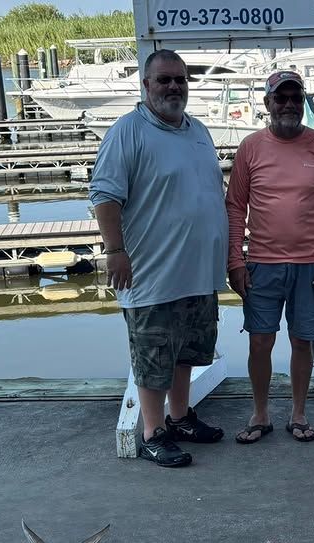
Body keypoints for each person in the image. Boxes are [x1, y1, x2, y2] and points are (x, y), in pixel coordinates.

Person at [90, 49, 227, 468]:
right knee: (153, 359)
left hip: (198, 272)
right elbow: (105, 196)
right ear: (146, 85)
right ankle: (153, 432)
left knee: (188, 351)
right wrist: (115, 250)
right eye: (164, 80)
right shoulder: (127, 132)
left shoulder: (198, 129)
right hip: (152, 274)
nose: (173, 87)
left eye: (180, 80)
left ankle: (181, 417)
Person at [225, 70, 314, 443]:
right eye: (280, 98)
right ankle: (260, 413)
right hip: (261, 264)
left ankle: (298, 413)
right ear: (267, 104)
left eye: (295, 98)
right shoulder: (250, 147)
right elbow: (235, 207)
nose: (288, 105)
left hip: (311, 264)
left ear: (304, 102)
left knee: (302, 341)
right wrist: (235, 260)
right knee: (259, 341)